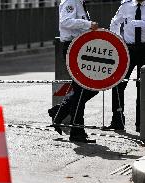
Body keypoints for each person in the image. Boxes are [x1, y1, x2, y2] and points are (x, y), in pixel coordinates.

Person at [106, 0, 145, 132]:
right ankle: (117, 120)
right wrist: (117, 40)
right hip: (128, 49)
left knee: (143, 87)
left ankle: (142, 123)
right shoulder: (126, 6)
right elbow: (115, 22)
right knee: (118, 84)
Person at [48, 0, 99, 143]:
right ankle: (77, 132)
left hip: (81, 47)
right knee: (82, 89)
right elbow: (65, 22)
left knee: (89, 88)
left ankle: (60, 112)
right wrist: (88, 25)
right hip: (74, 47)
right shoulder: (71, 1)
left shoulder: (80, 2)